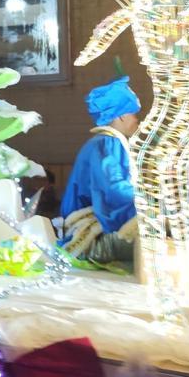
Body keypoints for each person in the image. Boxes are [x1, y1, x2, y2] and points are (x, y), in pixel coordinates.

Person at [59, 75, 140, 263]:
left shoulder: (102, 143)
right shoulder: (107, 143)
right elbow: (113, 190)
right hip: (90, 235)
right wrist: (149, 201)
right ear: (120, 116)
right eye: (133, 114)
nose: (137, 120)